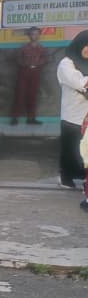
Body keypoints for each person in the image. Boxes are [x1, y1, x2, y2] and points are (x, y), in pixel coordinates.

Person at [56, 29, 88, 189]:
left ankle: (85, 178)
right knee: (71, 149)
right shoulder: (66, 64)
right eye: (86, 45)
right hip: (73, 116)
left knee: (85, 150)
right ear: (79, 44)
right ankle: (66, 177)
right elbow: (80, 83)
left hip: (86, 117)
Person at [11, 27, 49, 125]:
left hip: (35, 72)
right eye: (32, 34)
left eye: (36, 34)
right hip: (24, 72)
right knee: (20, 94)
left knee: (32, 95)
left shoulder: (41, 48)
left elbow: (45, 59)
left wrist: (36, 64)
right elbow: (18, 58)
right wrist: (26, 64)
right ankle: (15, 118)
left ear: (39, 35)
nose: (34, 36)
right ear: (29, 35)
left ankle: (31, 118)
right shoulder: (23, 48)